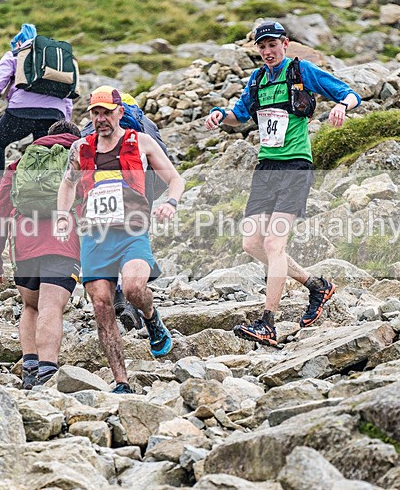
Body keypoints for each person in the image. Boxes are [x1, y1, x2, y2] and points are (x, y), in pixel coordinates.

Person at [204, 21, 361, 347]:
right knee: (252, 244)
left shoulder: (302, 71)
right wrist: (220, 116)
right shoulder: (258, 79)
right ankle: (316, 286)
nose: (267, 51)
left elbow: (349, 93)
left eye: (272, 45)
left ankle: (268, 323)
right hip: (266, 168)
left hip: (295, 167)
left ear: (285, 44)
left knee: (275, 245)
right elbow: (240, 115)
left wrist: (343, 107)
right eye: (262, 47)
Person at [56, 86, 184, 394]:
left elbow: (175, 179)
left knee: (133, 287)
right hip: (94, 237)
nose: (101, 119)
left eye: (106, 112)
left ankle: (152, 318)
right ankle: (121, 381)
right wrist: (62, 214)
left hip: (131, 233)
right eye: (95, 113)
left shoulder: (141, 142)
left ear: (120, 112)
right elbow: (67, 185)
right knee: (102, 307)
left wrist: (171, 202)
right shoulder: (81, 148)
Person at [0, 121, 82, 389]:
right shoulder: (80, 161)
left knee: (31, 306)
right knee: (51, 306)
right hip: (63, 244)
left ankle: (29, 369)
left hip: (24, 246)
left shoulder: (20, 164)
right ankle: (47, 372)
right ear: (76, 140)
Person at [0, 24, 74, 203]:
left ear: (18, 43)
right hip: (53, 114)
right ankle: (46, 194)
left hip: (21, 111)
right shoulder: (53, 60)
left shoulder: (15, 54)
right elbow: (67, 92)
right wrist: (65, 123)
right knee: (44, 152)